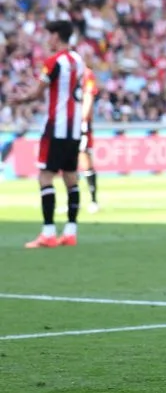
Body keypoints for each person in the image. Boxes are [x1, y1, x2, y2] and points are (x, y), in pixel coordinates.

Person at [10, 20, 87, 249]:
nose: (48, 39)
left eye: (50, 35)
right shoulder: (79, 61)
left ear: (56, 37)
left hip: (56, 125)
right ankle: (71, 231)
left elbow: (37, 93)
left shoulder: (53, 62)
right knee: (71, 177)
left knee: (45, 176)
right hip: (74, 127)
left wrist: (19, 99)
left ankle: (48, 232)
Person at [79, 65, 100, 213]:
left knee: (85, 159)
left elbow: (88, 96)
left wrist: (83, 119)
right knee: (70, 162)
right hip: (67, 122)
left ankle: (93, 200)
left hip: (80, 124)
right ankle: (73, 201)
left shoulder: (86, 74)